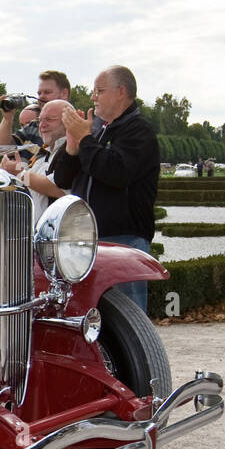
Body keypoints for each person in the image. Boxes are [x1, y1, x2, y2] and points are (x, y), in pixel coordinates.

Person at [52, 64, 160, 312]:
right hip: (88, 241)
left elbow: (116, 173)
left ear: (121, 92)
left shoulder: (139, 132)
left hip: (123, 242)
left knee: (126, 321)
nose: (93, 97)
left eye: (99, 90)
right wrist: (72, 146)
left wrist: (86, 139)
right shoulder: (98, 130)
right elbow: (63, 179)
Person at [0, 99, 73, 225]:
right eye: (40, 120)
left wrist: (20, 173)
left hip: (56, 234)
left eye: (50, 119)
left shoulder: (71, 152)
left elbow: (58, 190)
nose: (42, 125)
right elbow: (31, 184)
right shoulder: (44, 153)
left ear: (68, 122)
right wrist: (12, 174)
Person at [0, 70, 71, 147]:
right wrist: (7, 118)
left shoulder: (77, 126)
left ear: (64, 94)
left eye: (47, 92)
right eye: (39, 93)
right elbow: (3, 148)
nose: (41, 97)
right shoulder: (34, 126)